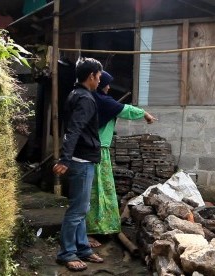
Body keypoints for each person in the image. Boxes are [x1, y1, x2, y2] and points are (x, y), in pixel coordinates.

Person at [85, 71, 157, 247]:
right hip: (96, 151)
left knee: (100, 191)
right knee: (95, 192)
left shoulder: (95, 99)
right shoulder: (100, 100)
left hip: (100, 150)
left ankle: (99, 228)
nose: (109, 87)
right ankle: (88, 232)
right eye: (106, 83)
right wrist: (145, 114)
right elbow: (126, 110)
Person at [53, 57, 104, 272]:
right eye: (99, 77)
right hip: (81, 160)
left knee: (82, 208)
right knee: (77, 209)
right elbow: (73, 130)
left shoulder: (75, 94)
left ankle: (82, 248)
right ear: (91, 76)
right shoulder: (85, 99)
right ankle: (67, 253)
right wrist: (65, 158)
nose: (100, 81)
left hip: (81, 159)